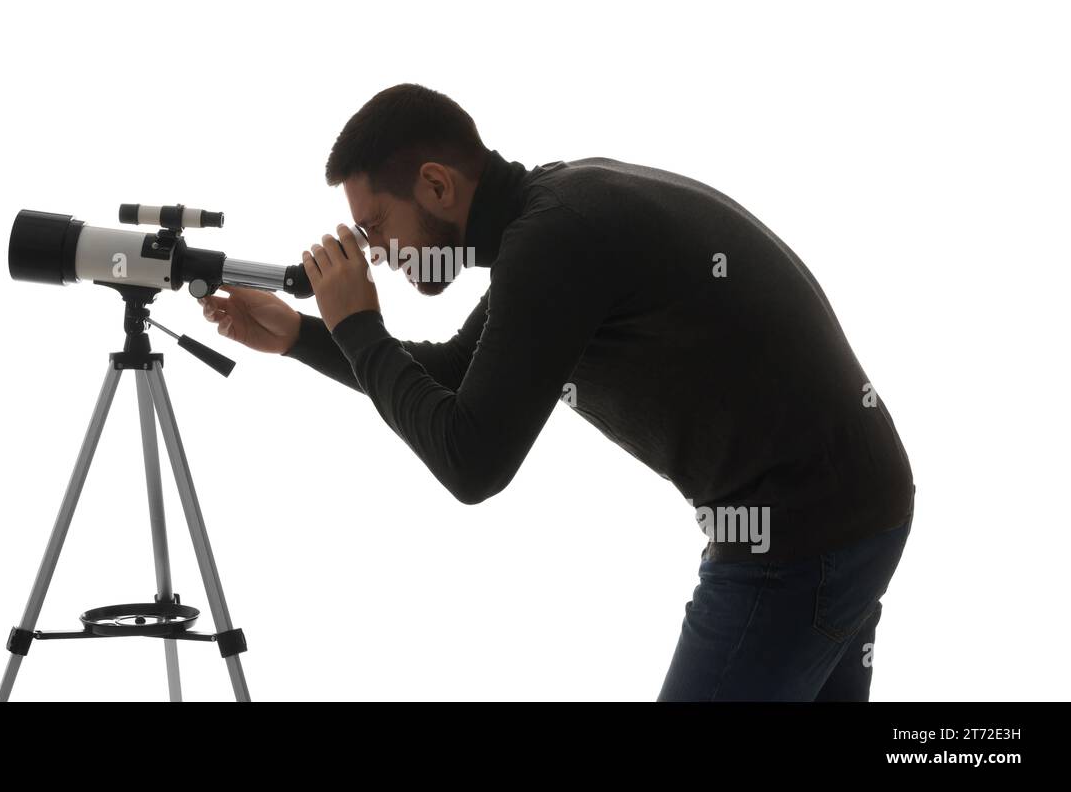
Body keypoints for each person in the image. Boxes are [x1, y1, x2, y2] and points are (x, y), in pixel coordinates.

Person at [200, 82, 916, 700]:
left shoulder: (555, 239)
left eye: (376, 226)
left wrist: (358, 328)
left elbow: (472, 461)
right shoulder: (549, 216)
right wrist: (301, 333)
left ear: (438, 184)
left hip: (803, 532)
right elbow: (454, 371)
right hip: (853, 504)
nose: (376, 254)